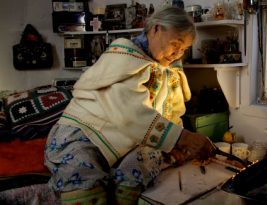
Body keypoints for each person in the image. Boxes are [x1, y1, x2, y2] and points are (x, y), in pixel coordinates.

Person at [44, 6, 216, 205]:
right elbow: (130, 111)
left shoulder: (167, 69)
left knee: (141, 165)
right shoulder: (122, 57)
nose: (178, 53)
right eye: (175, 43)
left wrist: (174, 142)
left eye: (184, 49)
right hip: (86, 131)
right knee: (83, 177)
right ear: (156, 29)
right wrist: (182, 138)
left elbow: (169, 112)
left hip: (131, 137)